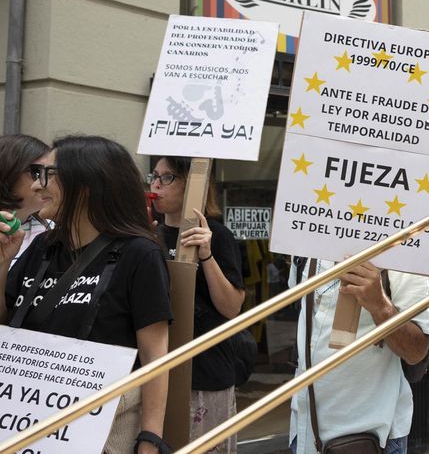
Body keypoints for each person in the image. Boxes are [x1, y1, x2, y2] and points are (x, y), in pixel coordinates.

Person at [0, 135, 173, 454]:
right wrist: (1, 264)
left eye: (47, 174)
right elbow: (4, 323)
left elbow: (155, 355)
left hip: (100, 432)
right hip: (25, 422)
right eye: (36, 174)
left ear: (86, 185)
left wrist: (150, 439)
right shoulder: (41, 246)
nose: (37, 185)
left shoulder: (139, 255)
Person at [148, 155, 245, 453]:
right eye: (153, 176)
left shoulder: (217, 235)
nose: (155, 185)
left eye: (167, 177)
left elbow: (231, 307)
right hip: (157, 369)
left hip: (205, 369)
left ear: (192, 185)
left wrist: (207, 255)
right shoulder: (148, 233)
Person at [288, 259, 429, 454]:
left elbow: (416, 351)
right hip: (304, 429)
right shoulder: (306, 247)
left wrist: (380, 306)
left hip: (370, 439)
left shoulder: (402, 256)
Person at [0, 134, 51, 266]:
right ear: (7, 171)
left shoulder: (55, 231)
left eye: (50, 174)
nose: (45, 183)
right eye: (37, 173)